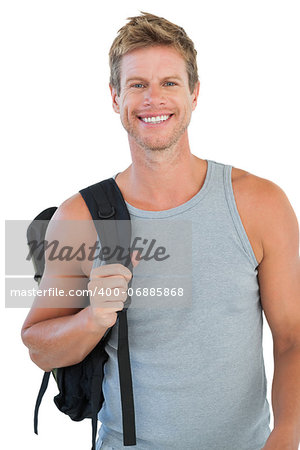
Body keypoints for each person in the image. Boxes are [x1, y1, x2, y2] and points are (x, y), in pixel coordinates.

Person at [21, 11, 300, 450]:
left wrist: (286, 435)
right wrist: (93, 318)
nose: (154, 99)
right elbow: (38, 346)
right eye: (137, 85)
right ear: (115, 98)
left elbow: (292, 337)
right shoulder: (81, 218)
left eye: (169, 83)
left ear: (194, 93)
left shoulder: (262, 205)